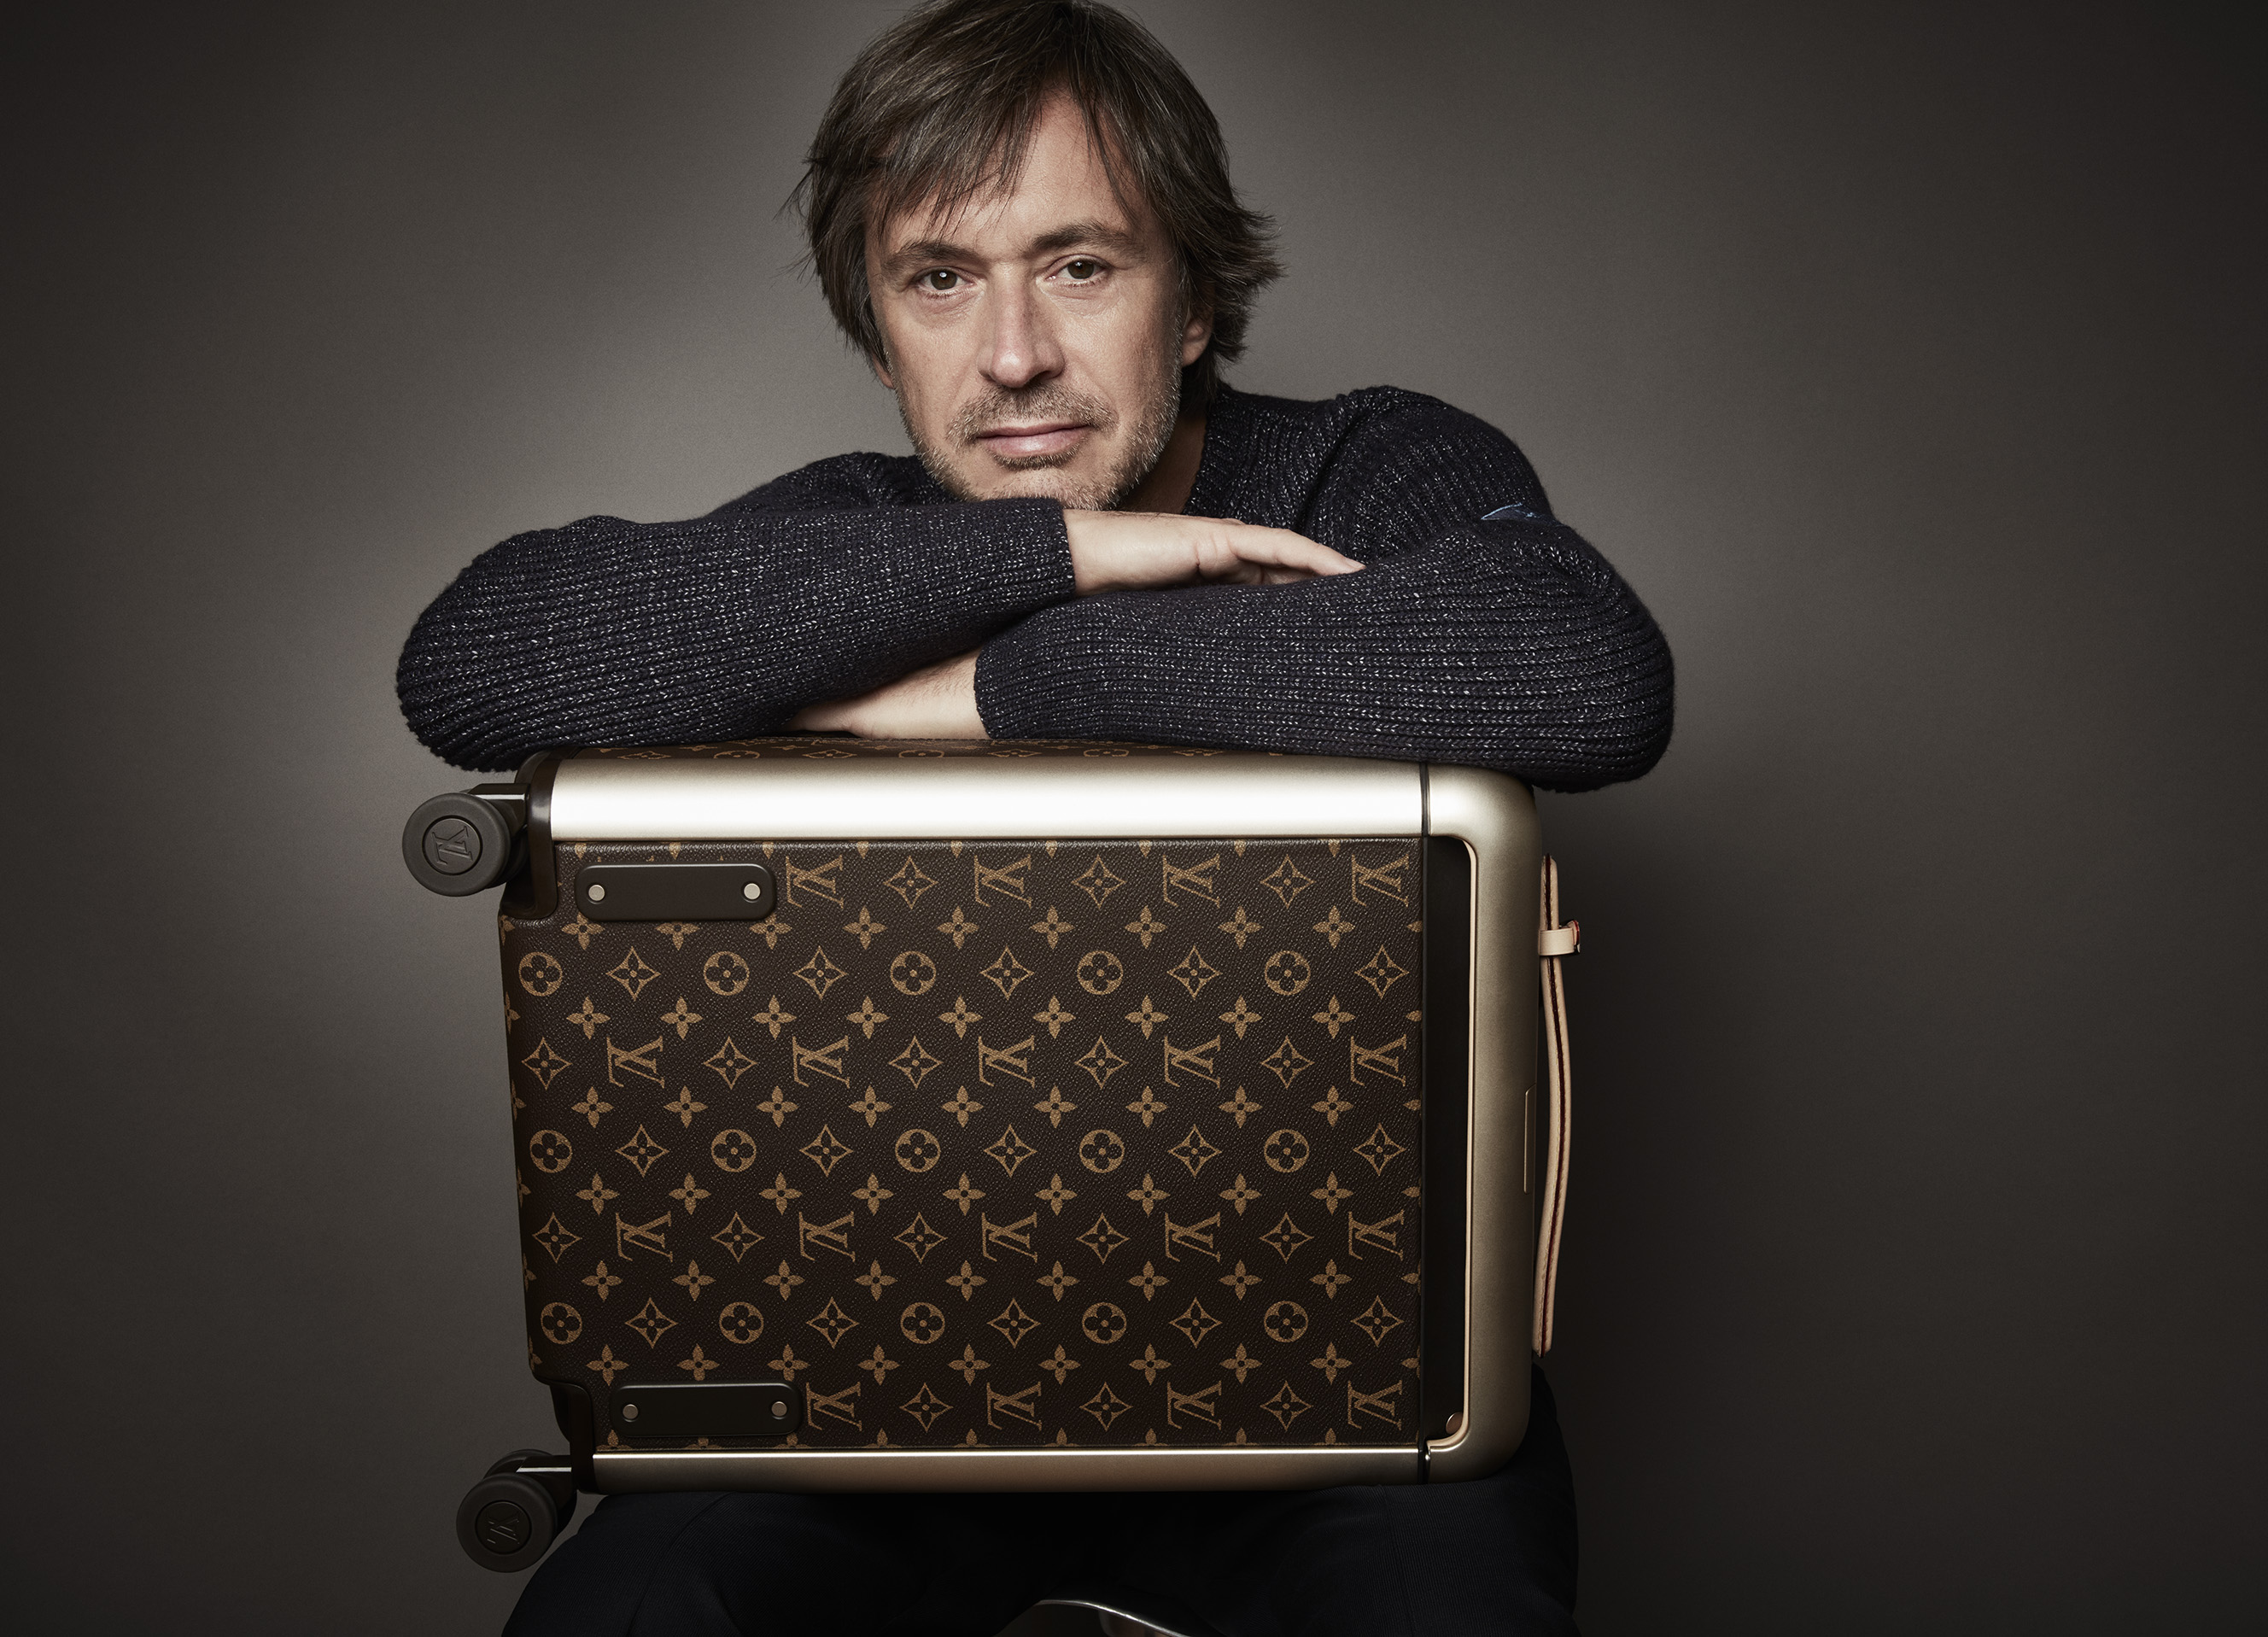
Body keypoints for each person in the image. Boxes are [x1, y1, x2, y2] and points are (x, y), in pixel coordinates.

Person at [404, 3, 1670, 1631]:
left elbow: (1583, 672)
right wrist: (1059, 551)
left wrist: (985, 683)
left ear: (1193, 299)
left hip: (1345, 1403)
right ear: (880, 334)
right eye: (939, 279)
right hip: (865, 1392)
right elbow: (475, 653)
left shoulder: (1367, 469)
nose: (1011, 355)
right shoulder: (854, 535)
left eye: (1079, 265)